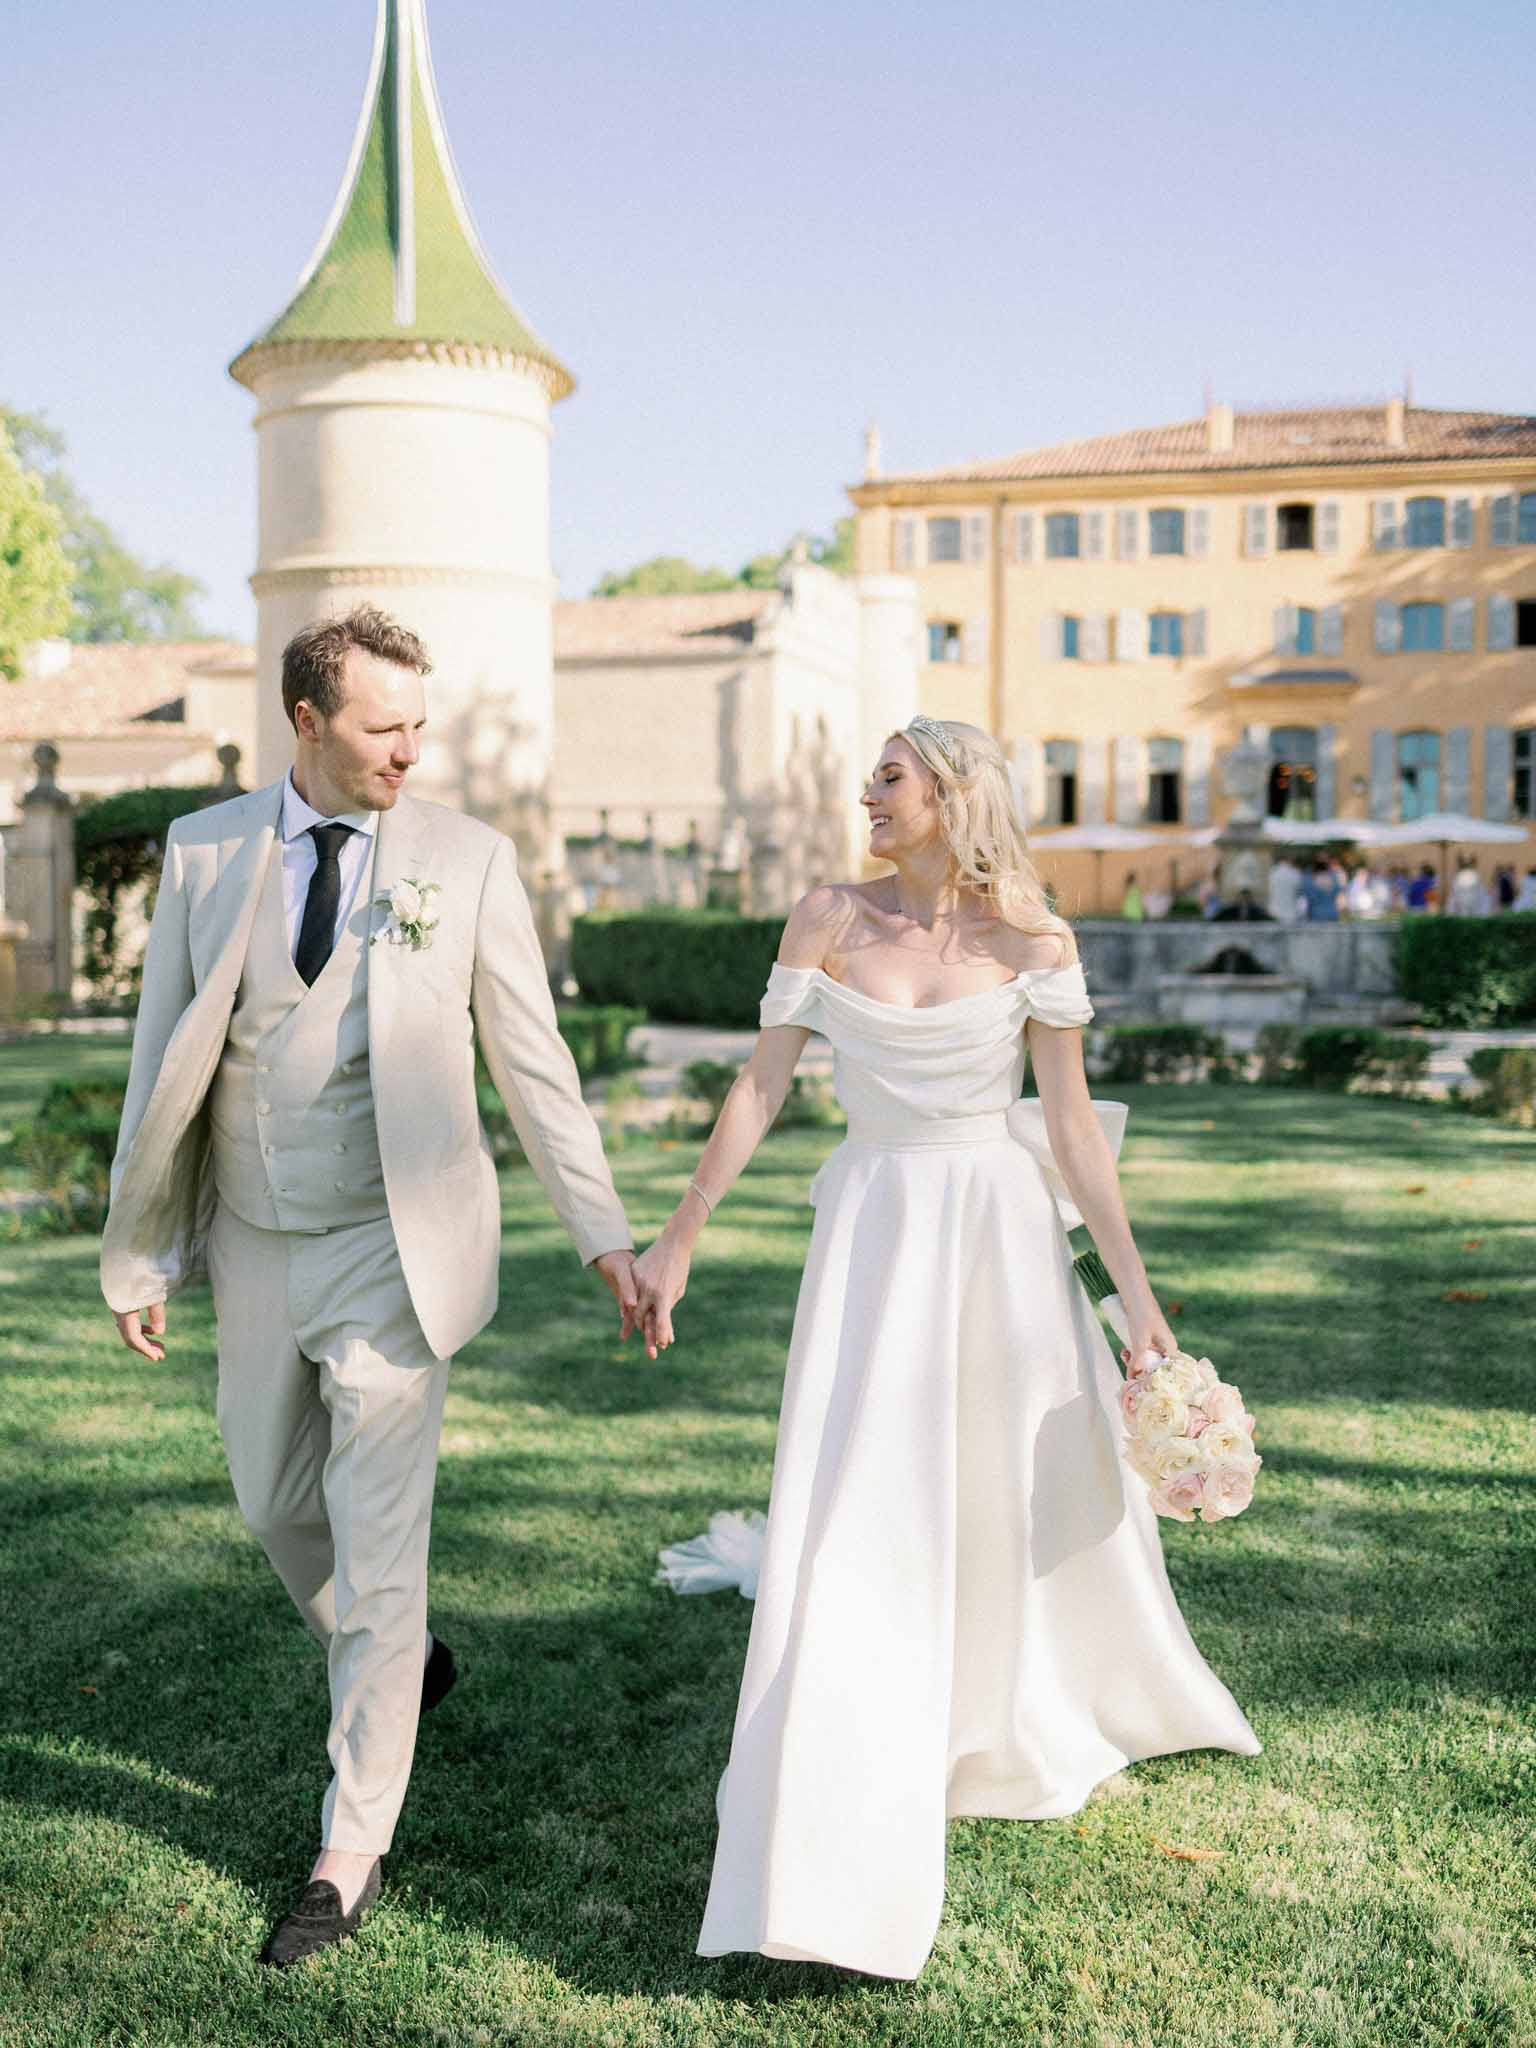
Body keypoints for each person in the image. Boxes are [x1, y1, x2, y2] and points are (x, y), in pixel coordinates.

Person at [632, 715, 1262, 1980]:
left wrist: (1137, 1301)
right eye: (872, 776)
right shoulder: (825, 917)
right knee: (870, 1483)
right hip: (873, 1229)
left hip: (1000, 1237)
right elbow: (759, 1086)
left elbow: (1073, 1131)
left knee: (998, 1482)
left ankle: (1005, 1704)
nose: (869, 794)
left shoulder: (1035, 937)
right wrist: (682, 1231)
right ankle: (858, 1724)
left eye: (892, 776)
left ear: (956, 794)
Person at [100, 606, 639, 1968]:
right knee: (275, 1504)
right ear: (306, 722)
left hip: (397, 1249)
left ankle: (346, 1855)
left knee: (381, 1551)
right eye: (383, 725)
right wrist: (139, 1246)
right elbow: (163, 1050)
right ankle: (399, 1667)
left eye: (420, 722)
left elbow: (534, 1063)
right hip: (257, 1243)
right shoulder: (207, 849)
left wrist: (606, 1236)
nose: (413, 747)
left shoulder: (464, 860)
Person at [1300, 856, 1341, 922]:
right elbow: (1337, 891)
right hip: (1331, 913)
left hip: (1316, 914)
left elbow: (1309, 896)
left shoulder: (1309, 879)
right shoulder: (1333, 877)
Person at [1267, 853, 1302, 923]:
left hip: (1274, 912)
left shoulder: (1272, 873)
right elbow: (1299, 893)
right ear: (1289, 860)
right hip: (1291, 913)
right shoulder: (1295, 874)